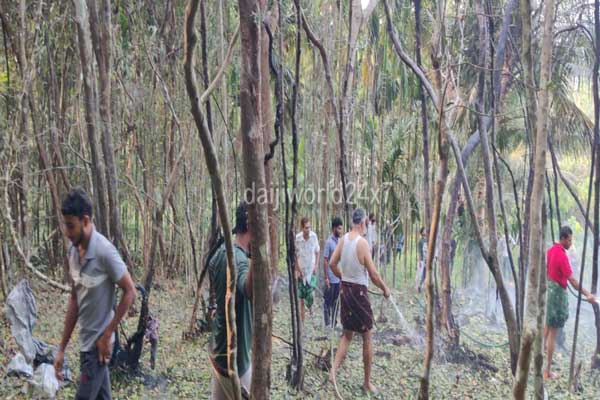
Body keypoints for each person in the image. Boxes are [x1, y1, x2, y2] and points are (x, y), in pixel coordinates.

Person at [54, 187, 136, 400]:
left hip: (98, 348)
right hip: (85, 344)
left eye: (71, 226)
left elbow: (130, 291)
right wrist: (61, 349)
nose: (67, 232)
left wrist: (108, 334)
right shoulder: (72, 253)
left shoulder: (104, 251)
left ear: (86, 221)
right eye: (65, 225)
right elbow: (75, 300)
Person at [328, 208, 391, 395]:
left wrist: (344, 277)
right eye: (366, 224)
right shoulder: (362, 243)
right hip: (359, 293)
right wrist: (385, 289)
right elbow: (373, 274)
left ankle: (332, 373)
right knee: (367, 336)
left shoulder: (343, 240)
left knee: (347, 335)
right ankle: (367, 383)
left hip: (346, 290)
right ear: (363, 223)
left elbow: (332, 264)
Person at [209, 202, 254, 399]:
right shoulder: (241, 260)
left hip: (219, 353)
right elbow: (248, 289)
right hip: (237, 362)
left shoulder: (221, 252)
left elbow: (212, 267)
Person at [544, 226, 595, 380]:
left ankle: (538, 362)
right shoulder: (561, 255)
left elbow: (548, 270)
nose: (570, 243)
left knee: (546, 328)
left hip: (550, 291)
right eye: (569, 240)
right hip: (557, 295)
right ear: (563, 238)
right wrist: (587, 294)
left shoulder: (550, 250)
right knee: (552, 333)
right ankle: (547, 371)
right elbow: (572, 280)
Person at [295, 217, 320, 323]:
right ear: (302, 228)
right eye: (306, 228)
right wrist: (297, 269)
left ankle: (311, 312)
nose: (308, 230)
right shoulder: (297, 239)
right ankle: (302, 322)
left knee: (311, 294)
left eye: (309, 227)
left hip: (311, 270)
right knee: (301, 298)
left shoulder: (314, 237)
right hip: (302, 271)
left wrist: (316, 265)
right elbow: (295, 255)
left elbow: (317, 251)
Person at [323, 217, 343, 328]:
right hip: (330, 277)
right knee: (328, 302)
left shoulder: (340, 242)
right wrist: (326, 277)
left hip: (338, 278)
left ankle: (334, 323)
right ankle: (327, 324)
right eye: (339, 228)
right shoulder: (328, 243)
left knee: (336, 302)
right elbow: (325, 260)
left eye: (341, 228)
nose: (340, 231)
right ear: (334, 228)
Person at [416, 227, 428, 293]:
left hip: (426, 260)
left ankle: (421, 285)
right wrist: (419, 261)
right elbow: (419, 252)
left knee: (425, 274)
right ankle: (418, 286)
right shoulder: (420, 241)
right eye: (424, 231)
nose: (425, 231)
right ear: (422, 232)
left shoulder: (427, 240)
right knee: (420, 274)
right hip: (422, 260)